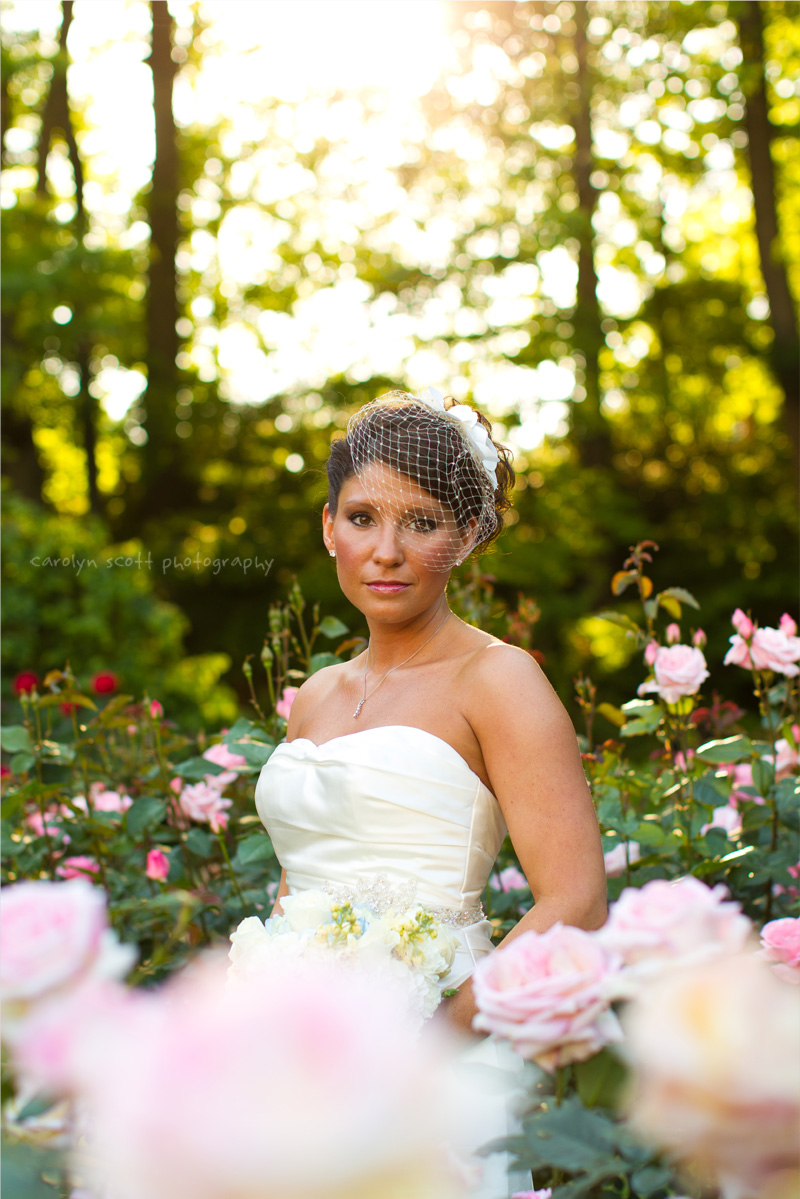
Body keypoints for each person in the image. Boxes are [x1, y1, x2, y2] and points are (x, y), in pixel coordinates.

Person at [254, 388, 607, 1197]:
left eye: (421, 522)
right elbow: (298, 878)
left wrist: (434, 1036)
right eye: (363, 517)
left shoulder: (498, 679)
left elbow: (578, 897)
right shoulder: (316, 694)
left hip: (438, 1046)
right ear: (327, 525)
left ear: (467, 534)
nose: (386, 550)